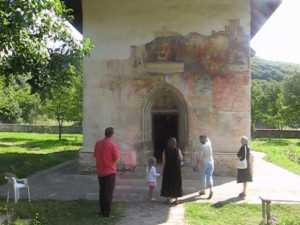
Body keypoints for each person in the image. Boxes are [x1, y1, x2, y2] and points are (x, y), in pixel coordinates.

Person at [94, 127, 120, 217]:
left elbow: (95, 155)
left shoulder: (98, 143)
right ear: (112, 134)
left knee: (102, 191)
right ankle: (106, 213)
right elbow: (116, 158)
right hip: (110, 172)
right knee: (108, 193)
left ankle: (101, 210)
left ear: (105, 133)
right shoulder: (112, 145)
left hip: (100, 171)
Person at [161, 137, 183, 204]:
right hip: (176, 169)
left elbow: (164, 161)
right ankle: (176, 200)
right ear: (175, 143)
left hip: (168, 169)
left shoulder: (165, 151)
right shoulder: (178, 150)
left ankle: (168, 198)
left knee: (168, 183)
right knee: (176, 183)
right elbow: (181, 158)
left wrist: (162, 170)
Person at [195, 135, 214, 199]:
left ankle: (203, 191)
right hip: (211, 162)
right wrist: (205, 138)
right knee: (210, 176)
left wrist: (197, 165)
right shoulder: (209, 144)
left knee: (203, 177)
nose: (199, 141)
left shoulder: (202, 147)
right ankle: (211, 190)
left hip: (204, 163)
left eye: (200, 139)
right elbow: (208, 138)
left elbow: (200, 158)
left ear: (202, 140)